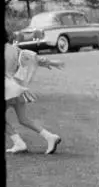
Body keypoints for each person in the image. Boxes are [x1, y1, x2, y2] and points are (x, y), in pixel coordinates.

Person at [5, 27, 64, 155]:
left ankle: (19, 143)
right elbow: (34, 58)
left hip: (8, 90)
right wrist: (53, 63)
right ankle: (50, 137)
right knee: (23, 119)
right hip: (17, 88)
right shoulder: (14, 49)